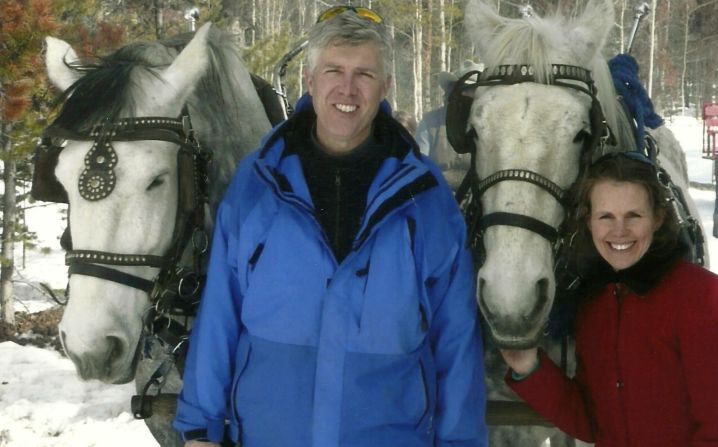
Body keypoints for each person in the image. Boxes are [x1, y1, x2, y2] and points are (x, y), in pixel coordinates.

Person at [173, 6, 487, 447]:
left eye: (365, 74)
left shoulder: (425, 198)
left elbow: (455, 338)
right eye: (334, 70)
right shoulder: (259, 181)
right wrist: (200, 425)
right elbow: (220, 312)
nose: (347, 88)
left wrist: (460, 441)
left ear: (385, 88)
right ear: (309, 79)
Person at [500, 152, 718, 446]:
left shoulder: (705, 300)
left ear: (658, 219)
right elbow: (594, 424)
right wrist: (528, 367)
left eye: (633, 216)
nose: (619, 231)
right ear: (589, 222)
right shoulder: (594, 304)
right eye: (606, 217)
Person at [415, 60, 482, 187]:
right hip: (439, 197)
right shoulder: (430, 123)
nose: (448, 94)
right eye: (452, 89)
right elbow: (419, 168)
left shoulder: (488, 125)